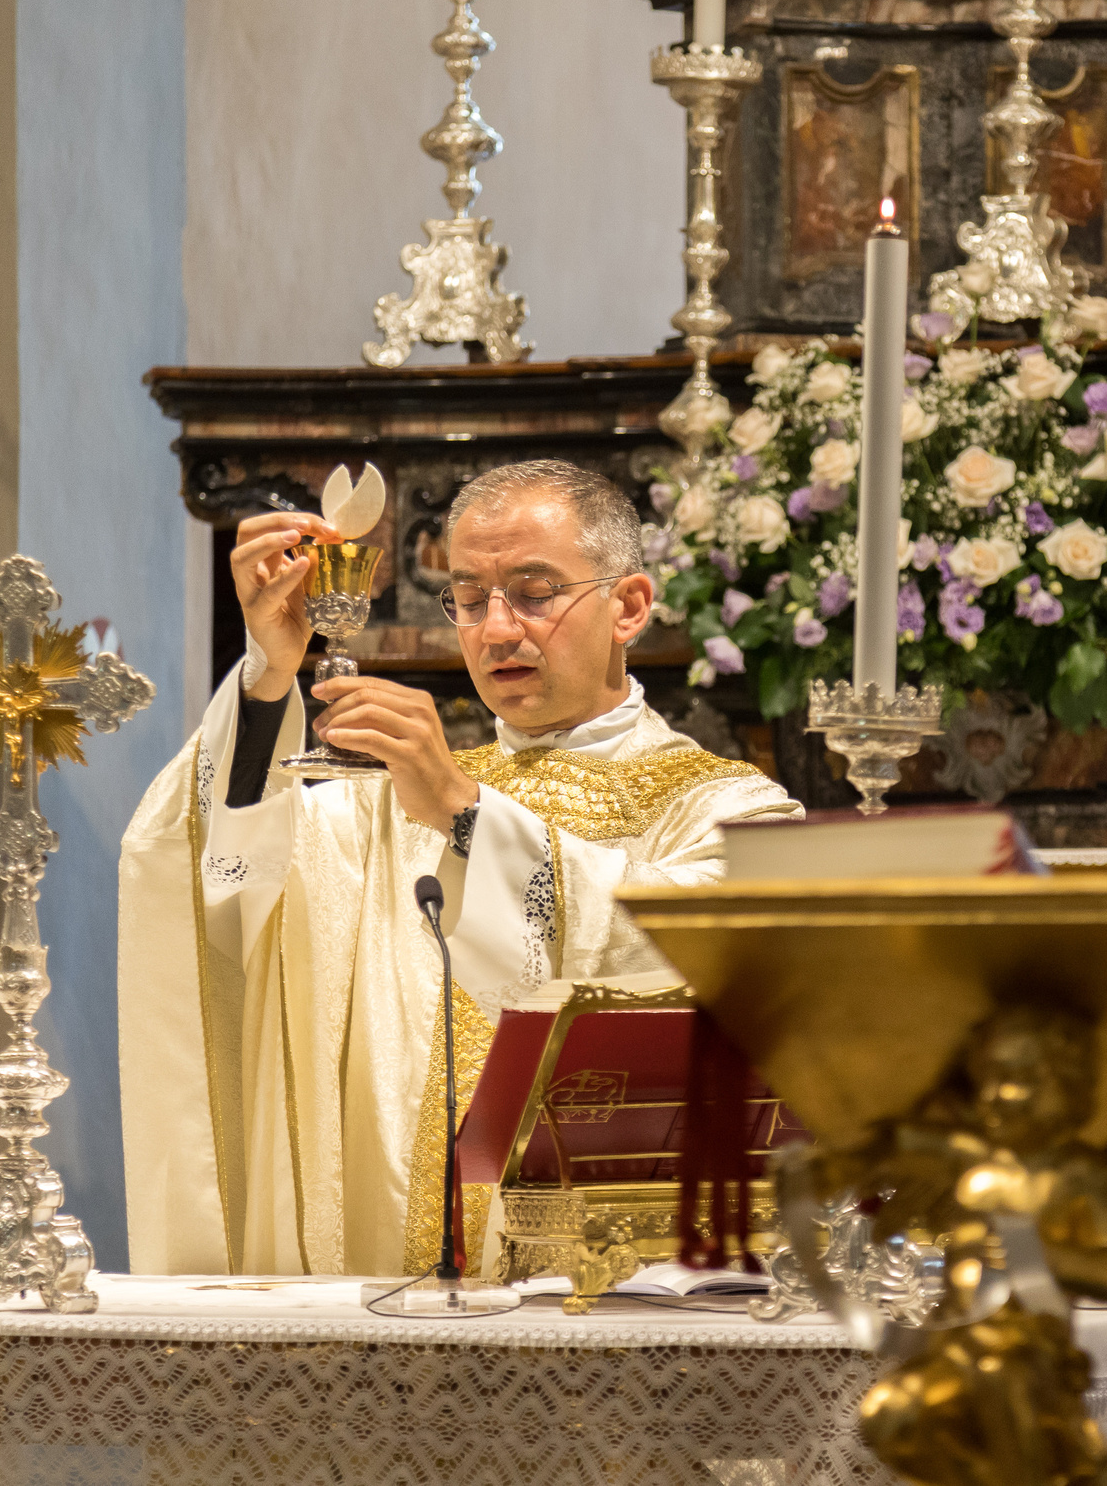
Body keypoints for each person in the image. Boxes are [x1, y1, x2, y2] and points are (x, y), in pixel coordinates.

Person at [117, 461, 799, 1277]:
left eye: (534, 592)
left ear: (629, 606)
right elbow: (220, 883)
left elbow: (692, 956)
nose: (497, 629)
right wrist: (268, 678)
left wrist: (464, 813)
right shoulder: (384, 805)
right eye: (470, 599)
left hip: (630, 1302)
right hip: (401, 1309)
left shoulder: (726, 810)